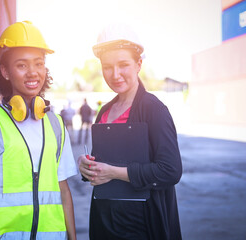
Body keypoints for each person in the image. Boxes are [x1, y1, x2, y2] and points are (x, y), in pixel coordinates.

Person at [0, 21, 78, 240]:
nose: (33, 72)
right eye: (22, 65)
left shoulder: (55, 124)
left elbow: (63, 190)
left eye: (39, 64)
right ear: (5, 71)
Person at [78, 23, 182, 240]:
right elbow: (100, 167)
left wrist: (115, 172)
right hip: (106, 223)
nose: (115, 74)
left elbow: (170, 171)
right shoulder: (104, 112)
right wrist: (87, 167)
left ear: (138, 64)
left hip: (142, 226)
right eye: (107, 66)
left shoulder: (154, 110)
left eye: (123, 64)